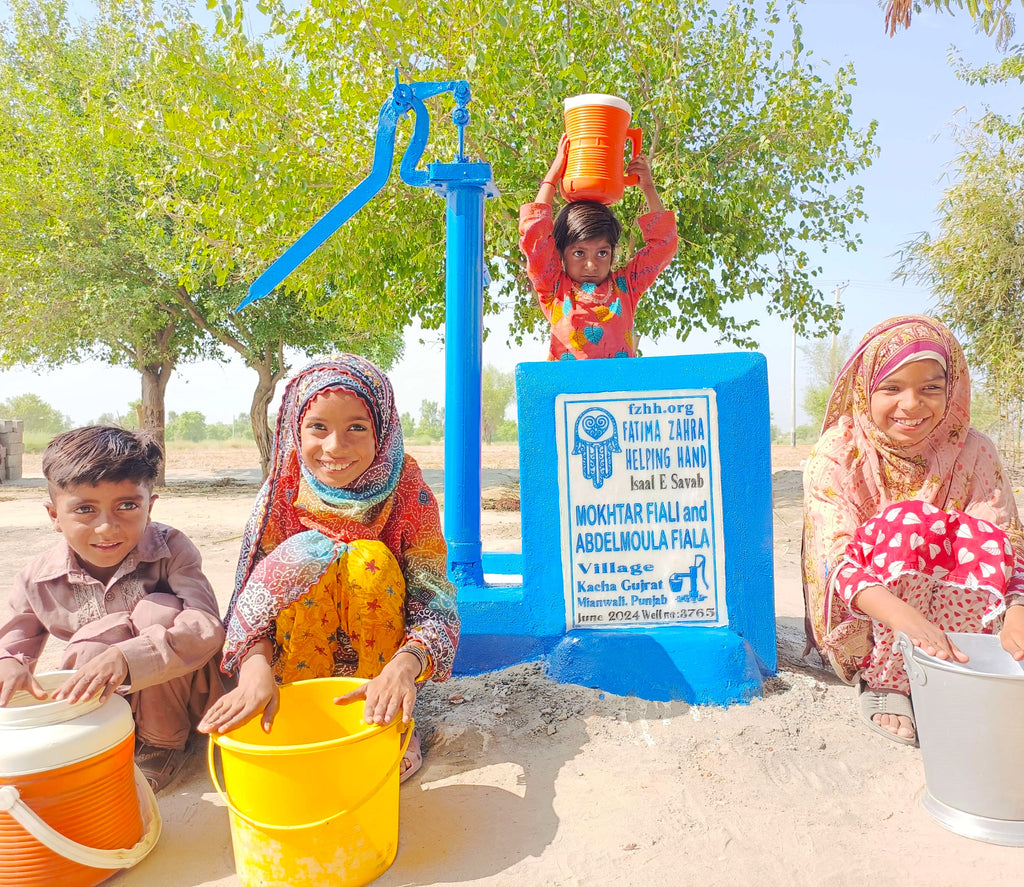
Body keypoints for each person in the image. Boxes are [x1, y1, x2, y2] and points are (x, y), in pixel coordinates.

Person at [197, 355, 459, 782]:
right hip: (294, 665)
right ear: (296, 431)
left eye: (357, 427)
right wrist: (255, 670)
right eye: (318, 427)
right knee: (304, 556)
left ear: (383, 431)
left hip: (384, 670)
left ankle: (385, 723)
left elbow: (435, 600)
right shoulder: (284, 489)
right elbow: (255, 605)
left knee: (368, 561)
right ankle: (298, 709)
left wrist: (403, 668)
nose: (335, 447)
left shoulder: (408, 490)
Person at [802, 315, 1024, 745]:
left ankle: (959, 666)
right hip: (868, 622)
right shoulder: (840, 452)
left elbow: (1007, 545)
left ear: (951, 388)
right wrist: (908, 622)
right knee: (910, 522)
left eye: (931, 388)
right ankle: (888, 683)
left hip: (958, 629)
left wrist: (1016, 615)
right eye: (892, 388)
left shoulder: (974, 449)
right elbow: (836, 561)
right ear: (866, 388)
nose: (912, 404)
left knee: (978, 540)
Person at [0, 426, 226, 791]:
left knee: (159, 610)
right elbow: (12, 644)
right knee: (90, 645)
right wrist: (9, 664)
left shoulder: (173, 550)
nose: (107, 527)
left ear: (149, 507)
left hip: (180, 697)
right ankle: (100, 740)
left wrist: (126, 656)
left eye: (127, 506)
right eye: (85, 509)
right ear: (54, 515)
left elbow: (205, 627)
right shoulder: (37, 578)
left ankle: (161, 743)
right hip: (102, 704)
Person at [519, 133, 678, 360]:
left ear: (613, 253)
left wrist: (648, 187)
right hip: (568, 393)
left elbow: (664, 244)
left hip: (619, 393)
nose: (591, 264)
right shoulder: (554, 288)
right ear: (561, 253)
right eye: (579, 253)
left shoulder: (627, 287)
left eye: (602, 253)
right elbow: (535, 234)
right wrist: (553, 174)